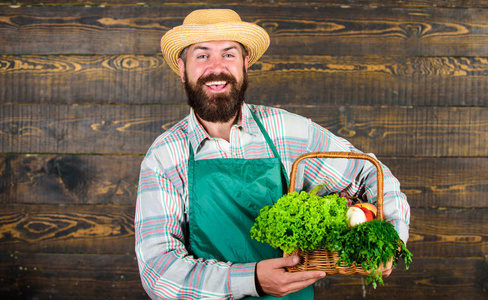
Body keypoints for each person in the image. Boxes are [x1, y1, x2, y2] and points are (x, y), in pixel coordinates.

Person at [135, 8, 410, 300]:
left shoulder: (287, 132)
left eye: (229, 54)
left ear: (245, 62)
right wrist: (250, 280)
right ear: (182, 68)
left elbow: (370, 173)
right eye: (202, 55)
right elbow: (158, 272)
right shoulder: (165, 156)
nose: (216, 67)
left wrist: (390, 240)